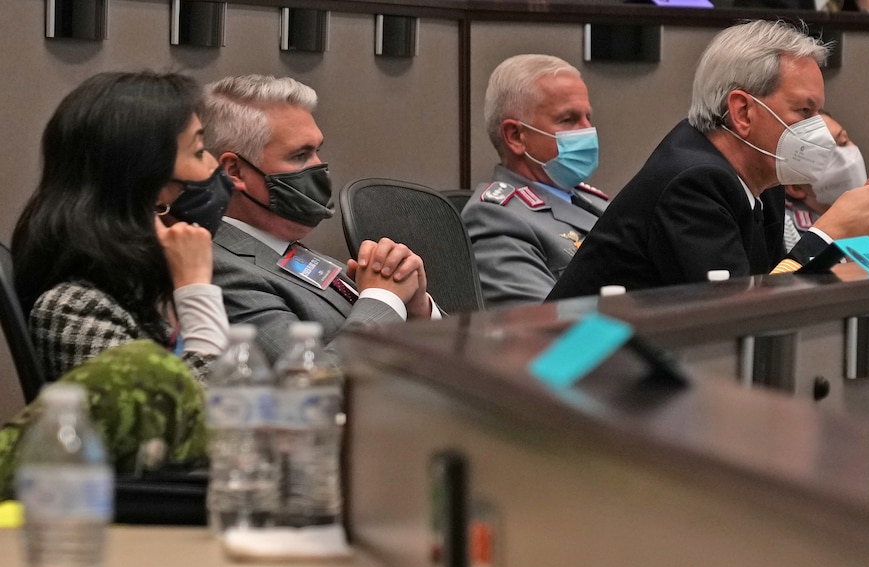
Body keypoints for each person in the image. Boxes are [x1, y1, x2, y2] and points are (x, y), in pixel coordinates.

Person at [549, 21, 869, 300]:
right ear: (742, 112)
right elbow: (742, 315)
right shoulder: (693, 181)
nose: (819, 130)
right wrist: (830, 233)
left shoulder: (760, 177)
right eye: (804, 111)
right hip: (572, 376)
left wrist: (855, 235)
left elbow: (774, 285)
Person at [15, 71, 234, 386]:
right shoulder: (74, 307)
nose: (213, 166)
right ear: (148, 175)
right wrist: (197, 289)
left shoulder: (149, 275)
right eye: (199, 152)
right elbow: (181, 418)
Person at [201, 75, 435, 366]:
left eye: (317, 151)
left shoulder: (287, 249)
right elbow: (306, 384)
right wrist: (384, 298)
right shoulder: (221, 272)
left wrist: (416, 308)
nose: (318, 168)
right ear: (235, 171)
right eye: (300, 155)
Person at [463, 55, 611, 307]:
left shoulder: (590, 200)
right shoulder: (495, 219)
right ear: (516, 136)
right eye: (568, 119)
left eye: (588, 118)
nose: (587, 130)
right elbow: (542, 324)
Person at [781, 110, 868, 251]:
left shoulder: (868, 216)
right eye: (825, 157)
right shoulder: (785, 232)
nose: (846, 161)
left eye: (843, 142)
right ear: (795, 187)